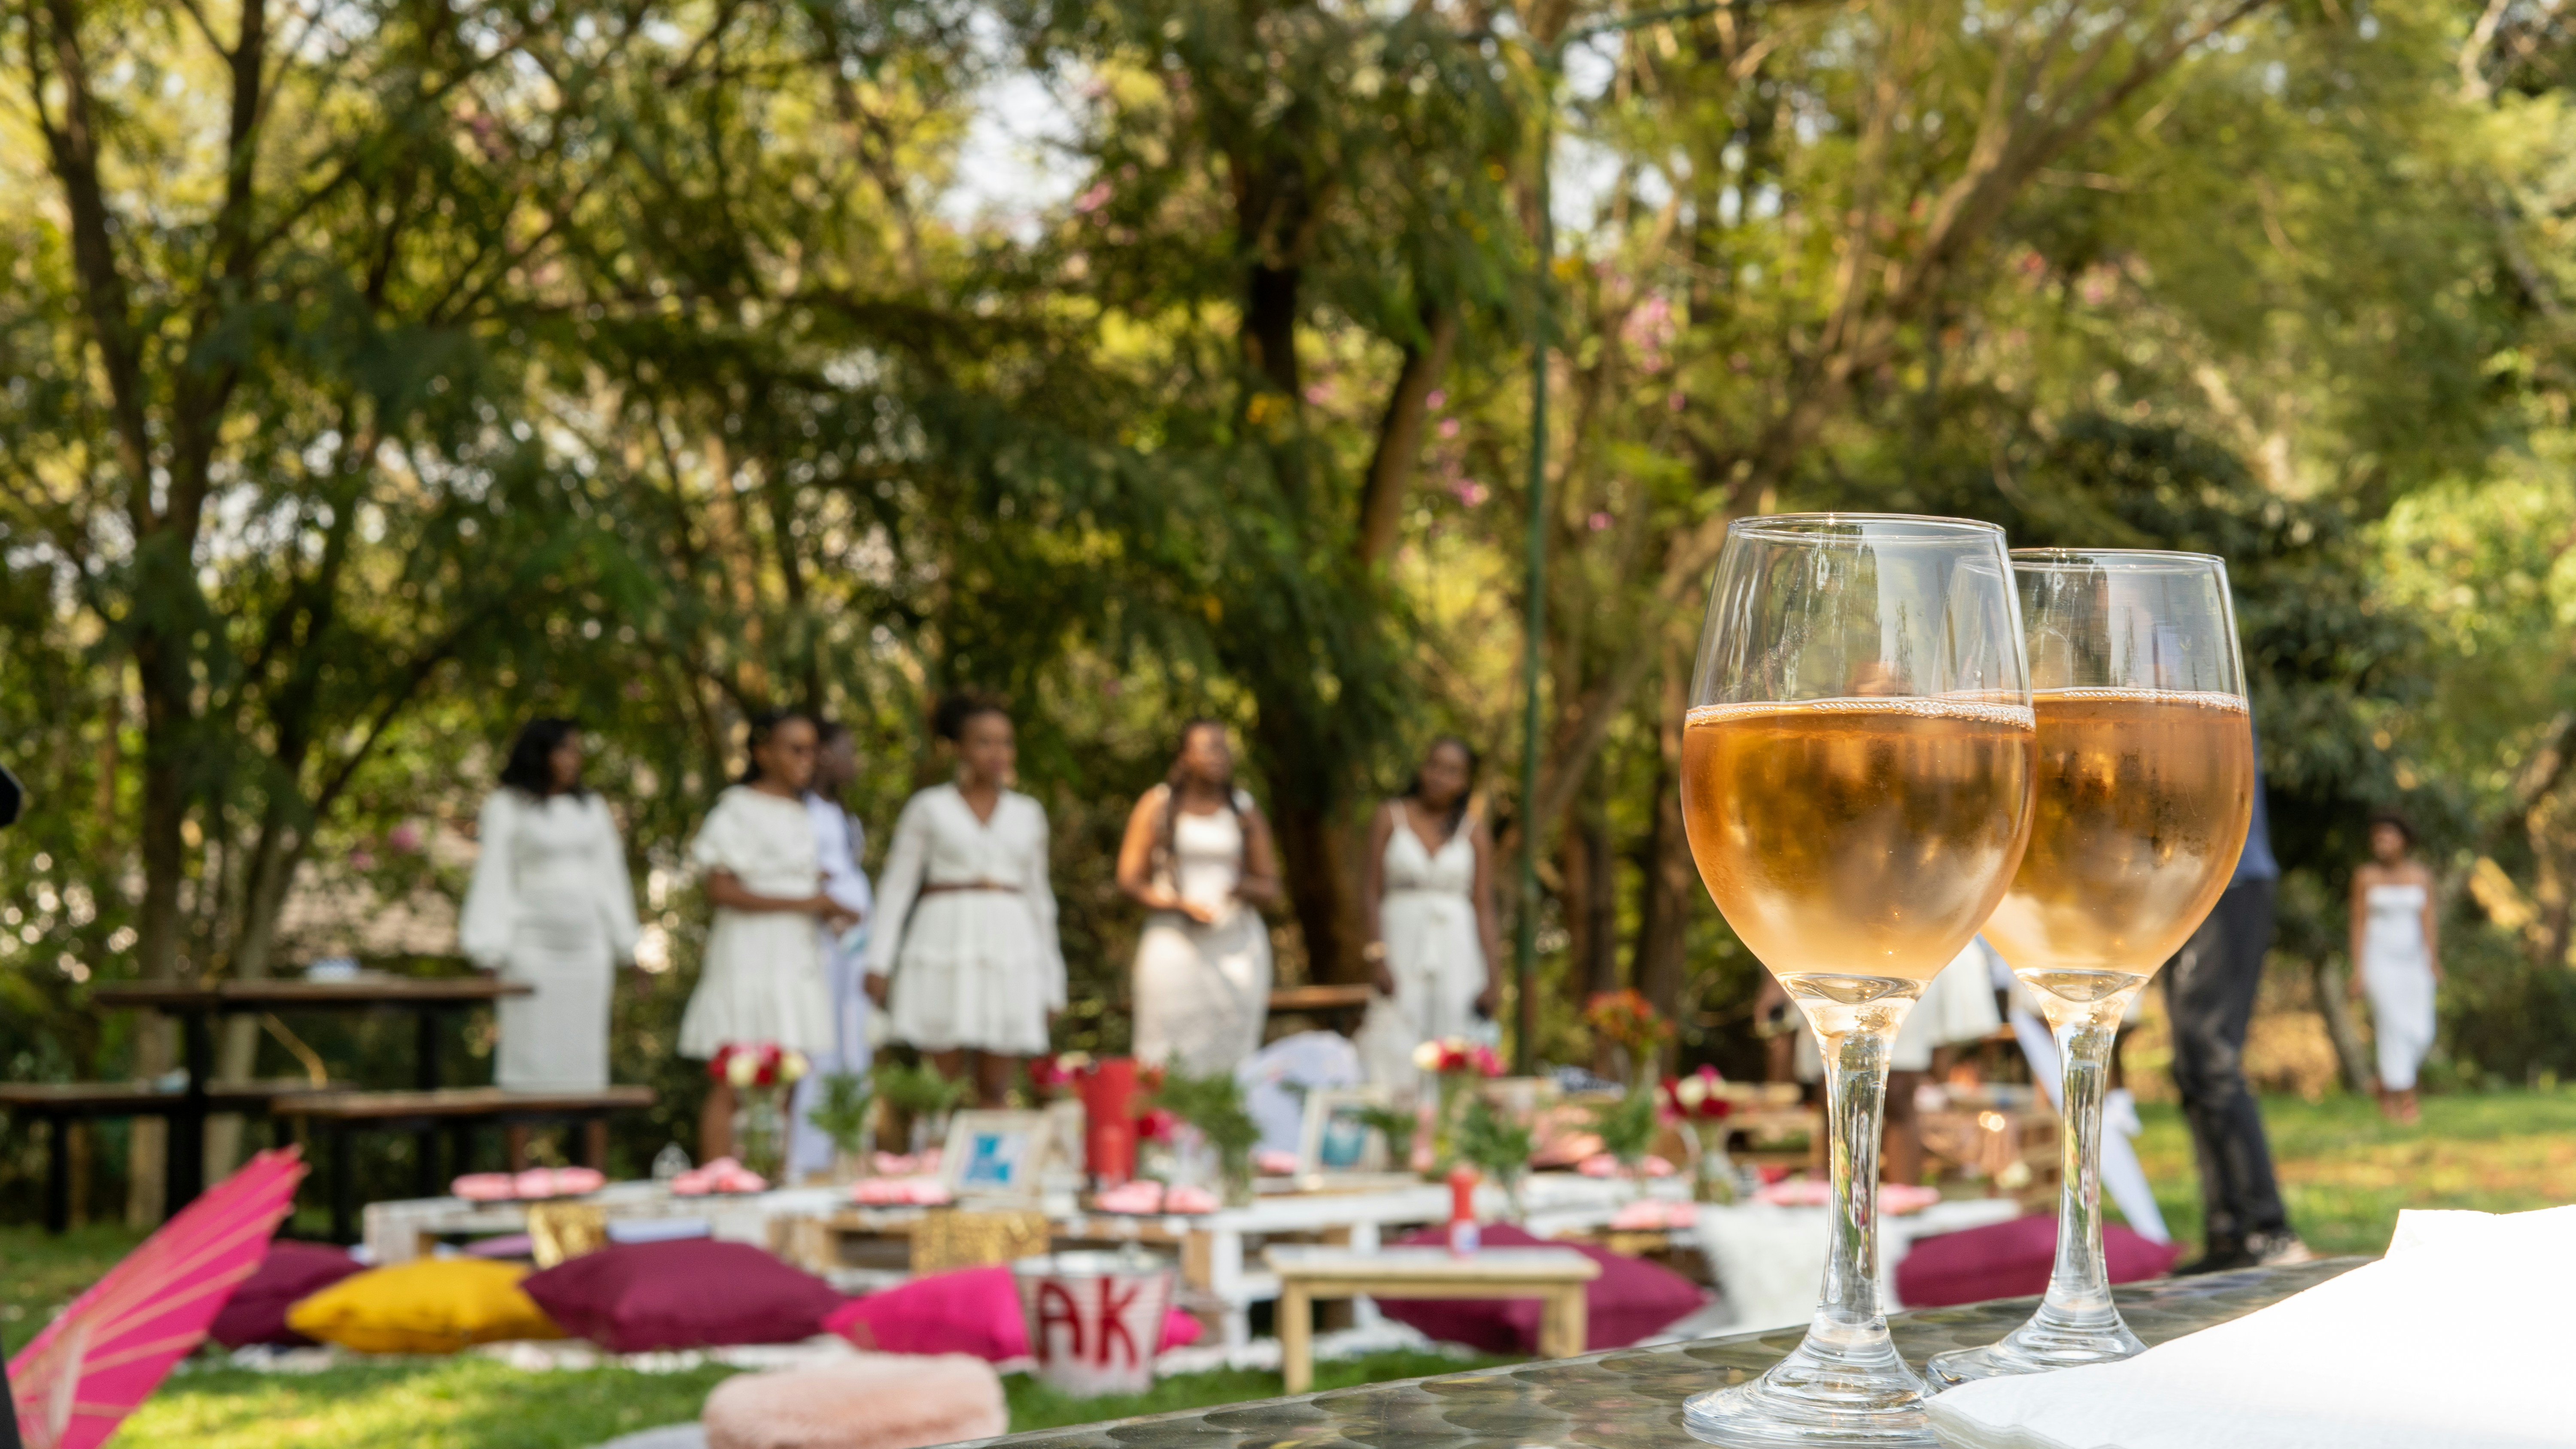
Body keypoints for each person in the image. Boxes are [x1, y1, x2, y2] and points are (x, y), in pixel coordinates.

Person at [865, 694, 1063, 1107]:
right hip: (943, 943)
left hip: (1010, 947)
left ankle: (993, 1169)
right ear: (959, 747)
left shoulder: (1028, 813)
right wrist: (879, 961)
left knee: (995, 1086)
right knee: (940, 1088)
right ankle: (931, 1165)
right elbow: (897, 886)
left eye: (1006, 742)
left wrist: (1053, 981)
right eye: (984, 741)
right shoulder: (928, 808)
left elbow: (1040, 899)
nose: (997, 752)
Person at [458, 719, 641, 1164]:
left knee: (588, 1062)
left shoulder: (591, 808)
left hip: (587, 949)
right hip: (532, 948)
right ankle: (519, 1176)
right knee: (525, 1062)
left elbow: (611, 877)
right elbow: (494, 876)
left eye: (578, 752)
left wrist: (627, 946)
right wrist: (488, 948)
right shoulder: (507, 806)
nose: (573, 761)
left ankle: (591, 1174)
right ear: (540, 754)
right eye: (565, 751)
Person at [680, 710, 854, 1160]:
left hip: (795, 957)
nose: (808, 758)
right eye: (795, 748)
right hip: (749, 955)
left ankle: (770, 1179)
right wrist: (809, 903)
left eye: (814, 749)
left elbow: (799, 885)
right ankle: (721, 1181)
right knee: (733, 1079)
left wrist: (831, 912)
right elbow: (721, 888)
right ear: (763, 753)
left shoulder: (804, 813)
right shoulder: (737, 808)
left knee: (789, 1077)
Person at [2164, 746, 2311, 1272]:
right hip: (2176, 880)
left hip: (2232, 877)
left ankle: (2271, 1231)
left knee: (2211, 1052)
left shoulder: (2199, 671)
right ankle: (2228, 1235)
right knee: (2190, 1063)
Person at [1117, 720, 1282, 1076]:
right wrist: (1179, 905)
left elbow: (1270, 885)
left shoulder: (1243, 809)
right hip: (1174, 940)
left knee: (1231, 1053)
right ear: (1183, 755)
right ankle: (1161, 1126)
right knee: (1164, 1045)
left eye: (1223, 748)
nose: (1218, 756)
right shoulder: (1157, 805)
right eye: (1208, 747)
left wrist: (1243, 888)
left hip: (1235, 945)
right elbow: (1129, 881)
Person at [1352, 737, 1502, 1092]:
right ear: (1422, 768)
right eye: (1434, 765)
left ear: (1465, 782)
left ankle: (1448, 1134)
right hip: (1402, 944)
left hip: (1458, 951)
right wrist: (1377, 955)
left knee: (1454, 1037)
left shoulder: (1474, 830)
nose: (1440, 777)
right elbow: (1370, 892)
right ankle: (1392, 1131)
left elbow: (1484, 907)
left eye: (1453, 771)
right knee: (1394, 1033)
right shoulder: (1390, 816)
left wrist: (1495, 977)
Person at [788, 721, 875, 1177]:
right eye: (848, 750)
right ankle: (808, 1157)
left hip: (853, 943)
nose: (854, 760)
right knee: (819, 1041)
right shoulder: (799, 810)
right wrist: (835, 913)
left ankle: (849, 1147)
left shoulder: (841, 812)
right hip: (821, 938)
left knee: (852, 1038)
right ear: (822, 754)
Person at [2350, 812, 2440, 1125]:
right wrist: (2358, 970)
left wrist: (2433, 959)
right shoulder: (2365, 876)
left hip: (2414, 962)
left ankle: (2384, 1083)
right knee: (2394, 1028)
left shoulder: (2421, 876)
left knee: (2422, 1031)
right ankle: (2407, 1101)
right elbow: (2358, 923)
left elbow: (2428, 922)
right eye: (2377, 837)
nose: (2382, 843)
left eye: (2388, 836)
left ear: (2404, 841)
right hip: (2379, 961)